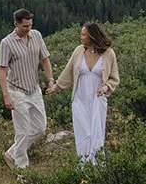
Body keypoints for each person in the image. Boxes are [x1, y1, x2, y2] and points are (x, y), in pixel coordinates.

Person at [50, 22, 120, 165]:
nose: (81, 37)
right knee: (83, 134)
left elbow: (114, 78)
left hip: (97, 99)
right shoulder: (78, 51)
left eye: (83, 35)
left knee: (96, 134)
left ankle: (98, 167)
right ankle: (83, 167)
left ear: (92, 36)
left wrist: (106, 87)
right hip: (79, 99)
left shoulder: (108, 53)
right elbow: (68, 72)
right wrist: (56, 87)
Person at [0, 8, 53, 170]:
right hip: (16, 91)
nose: (28, 29)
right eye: (25, 26)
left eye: (30, 25)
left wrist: (50, 80)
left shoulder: (36, 36)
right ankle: (22, 170)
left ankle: (12, 152)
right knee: (22, 132)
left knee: (40, 128)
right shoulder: (6, 43)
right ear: (16, 24)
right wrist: (6, 95)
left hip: (34, 89)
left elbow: (45, 59)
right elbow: (2, 70)